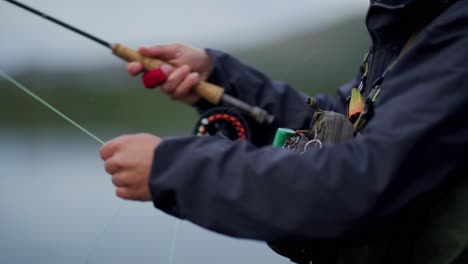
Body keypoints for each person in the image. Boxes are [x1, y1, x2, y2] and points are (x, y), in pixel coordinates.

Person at [99, 0, 468, 263]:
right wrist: (219, 79)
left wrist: (174, 168)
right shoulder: (410, 28)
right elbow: (333, 125)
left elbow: (364, 178)